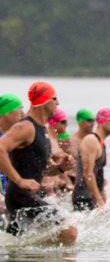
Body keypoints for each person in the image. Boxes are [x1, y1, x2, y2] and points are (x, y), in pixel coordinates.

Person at [0, 81, 77, 243]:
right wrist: (19, 180)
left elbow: (43, 168)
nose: (58, 103)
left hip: (27, 195)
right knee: (68, 230)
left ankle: (28, 261)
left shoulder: (42, 129)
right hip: (20, 196)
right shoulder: (26, 127)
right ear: (44, 101)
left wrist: (61, 168)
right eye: (54, 98)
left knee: (15, 243)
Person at [73, 107, 110, 210]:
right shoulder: (91, 140)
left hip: (92, 198)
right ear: (101, 121)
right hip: (84, 198)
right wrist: (100, 201)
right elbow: (87, 173)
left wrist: (104, 201)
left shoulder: (100, 142)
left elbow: (99, 176)